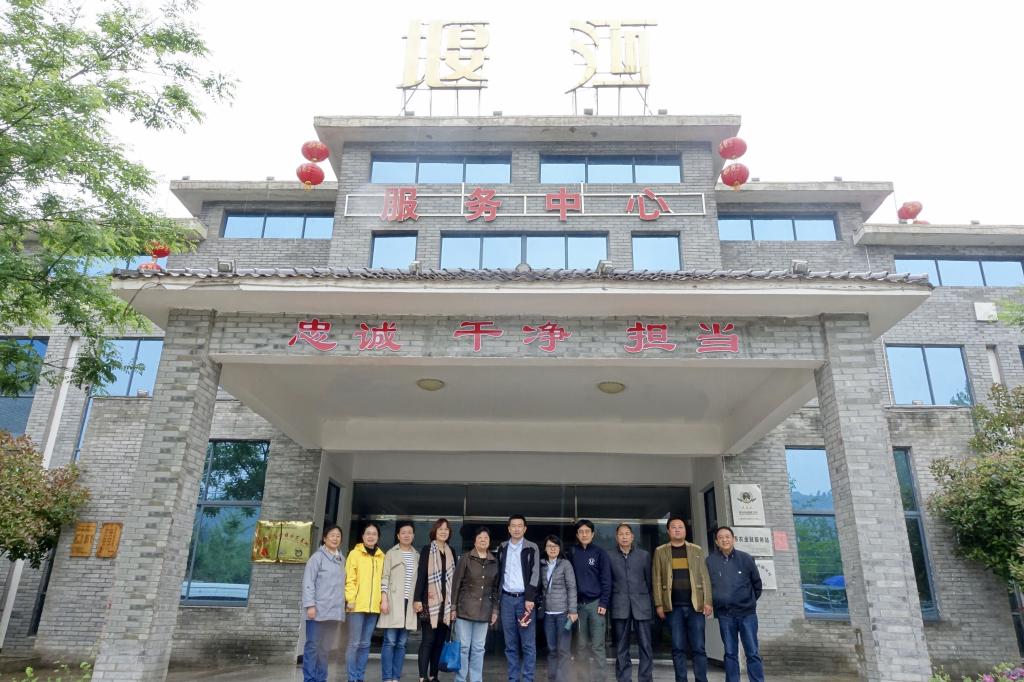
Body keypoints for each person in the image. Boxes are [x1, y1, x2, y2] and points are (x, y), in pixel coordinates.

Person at [653, 517, 713, 682]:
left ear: (685, 530)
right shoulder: (660, 551)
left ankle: (701, 679)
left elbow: (704, 577)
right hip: (673, 607)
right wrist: (659, 604)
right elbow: (656, 579)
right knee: (678, 647)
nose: (677, 529)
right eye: (674, 527)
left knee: (699, 647)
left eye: (681, 527)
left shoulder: (696, 550)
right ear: (668, 531)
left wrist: (708, 601)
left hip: (696, 606)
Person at [706, 526, 764, 682]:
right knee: (730, 653)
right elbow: (708, 586)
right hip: (725, 615)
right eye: (721, 537)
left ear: (733, 539)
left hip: (747, 614)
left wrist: (748, 601)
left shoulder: (746, 558)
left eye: (727, 536)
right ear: (716, 542)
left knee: (752, 652)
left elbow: (757, 585)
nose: (724, 540)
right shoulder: (710, 561)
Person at [451, 527, 499, 682]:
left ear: (489, 541)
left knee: (478, 649)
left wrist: (495, 610)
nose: (483, 540)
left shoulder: (494, 561)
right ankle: (460, 679)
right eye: (480, 537)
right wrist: (453, 607)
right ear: (475, 541)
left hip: (485, 610)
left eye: (486, 537)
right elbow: (456, 584)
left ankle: (476, 679)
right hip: (465, 609)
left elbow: (495, 588)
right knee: (463, 648)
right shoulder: (466, 558)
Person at [496, 514, 540, 682]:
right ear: (508, 529)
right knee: (510, 644)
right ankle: (513, 678)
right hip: (506, 600)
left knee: (528, 644)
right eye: (513, 526)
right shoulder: (502, 547)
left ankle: (528, 679)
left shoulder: (532, 547)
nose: (516, 529)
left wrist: (530, 598)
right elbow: (499, 573)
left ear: (525, 529)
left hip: (524, 601)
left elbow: (535, 574)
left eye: (519, 525)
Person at [568, 519, 612, 682]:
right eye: (581, 532)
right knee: (580, 646)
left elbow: (606, 579)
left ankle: (600, 679)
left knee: (598, 646)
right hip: (578, 606)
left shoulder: (600, 553)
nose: (584, 534)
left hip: (596, 605)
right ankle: (583, 678)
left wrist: (604, 603)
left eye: (587, 531)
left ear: (593, 534)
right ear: (577, 534)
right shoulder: (572, 552)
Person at [609, 523, 653, 682]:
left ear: (633, 536)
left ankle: (645, 678)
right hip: (619, 605)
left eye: (627, 533)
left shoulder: (644, 555)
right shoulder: (609, 556)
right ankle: (624, 678)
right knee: (621, 647)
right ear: (616, 537)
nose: (624, 537)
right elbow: (608, 581)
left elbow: (650, 581)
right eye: (621, 534)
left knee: (645, 645)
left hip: (641, 604)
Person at [302, 524, 346, 682]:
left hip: (333, 612)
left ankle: (321, 679)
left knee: (325, 649)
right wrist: (310, 605)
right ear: (325, 538)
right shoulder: (317, 558)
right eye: (332, 535)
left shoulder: (341, 559)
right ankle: (309, 679)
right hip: (317, 611)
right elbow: (308, 583)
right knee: (313, 647)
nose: (335, 538)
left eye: (338, 536)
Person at [415, 517, 456, 682]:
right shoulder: (427, 550)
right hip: (429, 602)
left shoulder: (451, 551)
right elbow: (421, 576)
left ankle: (433, 676)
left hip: (446, 604)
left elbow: (454, 579)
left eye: (446, 529)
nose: (443, 532)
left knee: (439, 641)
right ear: (435, 531)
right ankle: (422, 676)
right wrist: (417, 599)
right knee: (428, 641)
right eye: (440, 529)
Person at [345, 522, 386, 682]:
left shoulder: (382, 556)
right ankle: (352, 678)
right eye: (368, 533)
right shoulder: (354, 554)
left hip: (373, 607)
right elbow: (350, 579)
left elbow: (384, 581)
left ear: (378, 537)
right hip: (356, 606)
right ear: (362, 536)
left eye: (374, 534)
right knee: (354, 643)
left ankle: (360, 677)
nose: (371, 536)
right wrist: (350, 599)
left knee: (365, 644)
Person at [380, 521, 419, 682]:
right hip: (393, 601)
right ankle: (387, 677)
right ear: (398, 536)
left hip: (409, 604)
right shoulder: (391, 553)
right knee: (390, 641)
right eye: (403, 532)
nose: (406, 535)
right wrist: (384, 599)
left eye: (409, 532)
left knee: (402, 643)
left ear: (413, 535)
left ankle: (396, 677)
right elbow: (385, 577)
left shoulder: (417, 556)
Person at [539, 535, 578, 682]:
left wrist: (572, 610)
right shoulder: (541, 565)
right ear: (545, 548)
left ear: (560, 548)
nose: (552, 549)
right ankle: (553, 678)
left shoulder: (565, 564)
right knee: (551, 649)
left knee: (563, 650)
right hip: (548, 614)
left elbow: (572, 587)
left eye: (555, 546)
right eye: (549, 546)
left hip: (563, 613)